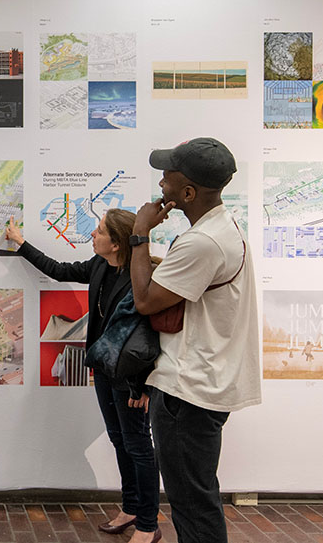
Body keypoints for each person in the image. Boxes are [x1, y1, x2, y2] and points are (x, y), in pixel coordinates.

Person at [128, 137, 261, 543]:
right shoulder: (221, 227)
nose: (161, 183)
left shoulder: (202, 242)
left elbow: (146, 300)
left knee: (193, 503)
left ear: (188, 192)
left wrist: (139, 233)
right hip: (201, 384)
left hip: (188, 391)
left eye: (168, 176)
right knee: (195, 496)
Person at [5, 210, 161, 543]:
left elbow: (153, 335)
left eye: (100, 230)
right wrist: (21, 243)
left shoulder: (142, 277)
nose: (93, 233)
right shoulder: (101, 265)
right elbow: (60, 271)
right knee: (120, 439)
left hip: (131, 375)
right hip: (104, 367)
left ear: (116, 243)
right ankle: (131, 507)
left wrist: (145, 384)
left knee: (138, 445)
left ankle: (148, 524)